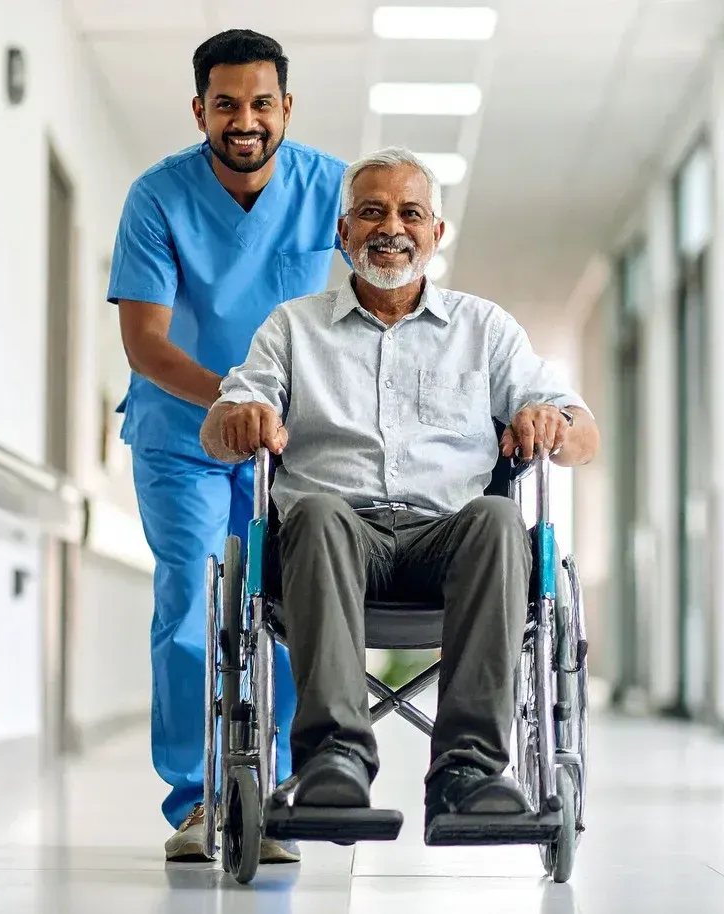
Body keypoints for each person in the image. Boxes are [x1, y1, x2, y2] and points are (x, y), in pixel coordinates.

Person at [197, 147, 600, 828]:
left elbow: (584, 435)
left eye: (411, 213)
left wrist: (551, 421)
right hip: (332, 545)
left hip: (446, 546)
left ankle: (467, 773)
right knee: (318, 512)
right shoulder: (292, 329)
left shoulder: (485, 329)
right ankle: (334, 759)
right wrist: (241, 419)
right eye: (372, 212)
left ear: (436, 233)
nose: (392, 227)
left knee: (501, 519)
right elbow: (216, 429)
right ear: (343, 232)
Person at [108, 29, 346, 864]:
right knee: (191, 602)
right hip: (182, 434)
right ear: (199, 109)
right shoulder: (158, 197)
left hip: (291, 445)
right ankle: (198, 798)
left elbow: (382, 303)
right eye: (225, 104)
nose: (244, 120)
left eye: (260, 103)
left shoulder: (334, 192)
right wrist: (237, 399)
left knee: (281, 610)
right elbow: (146, 341)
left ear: (286, 107)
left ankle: (271, 792)